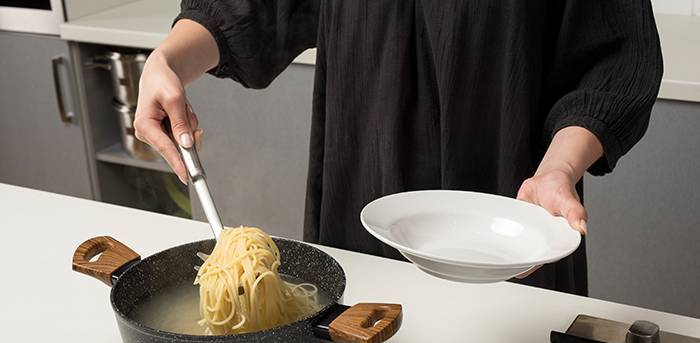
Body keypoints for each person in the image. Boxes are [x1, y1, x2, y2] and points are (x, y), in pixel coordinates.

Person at [134, 1, 663, 296]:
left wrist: (559, 169)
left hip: (516, 230)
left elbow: (615, 58)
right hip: (359, 219)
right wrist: (169, 60)